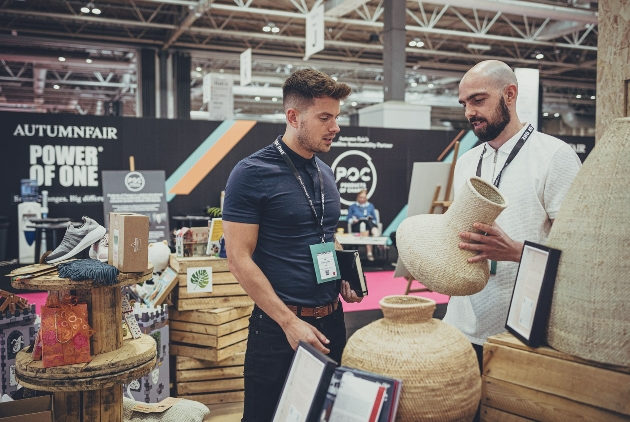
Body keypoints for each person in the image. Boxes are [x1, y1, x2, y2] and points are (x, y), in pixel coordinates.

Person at [222, 68, 363, 422]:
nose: (336, 127)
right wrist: (288, 323)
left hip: (332, 323)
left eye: (337, 117)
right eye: (325, 118)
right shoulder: (251, 173)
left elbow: (325, 236)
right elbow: (239, 259)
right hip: (277, 329)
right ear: (293, 117)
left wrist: (343, 275)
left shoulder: (325, 172)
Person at [443, 60, 582, 368]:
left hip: (519, 330)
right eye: (464, 103)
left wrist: (517, 252)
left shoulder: (555, 156)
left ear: (510, 94)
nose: (469, 113)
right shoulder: (466, 162)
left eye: (478, 100)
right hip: (460, 324)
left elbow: (577, 255)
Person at [347, 189, 380, 260]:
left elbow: (375, 219)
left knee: (368, 222)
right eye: (360, 197)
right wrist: (353, 220)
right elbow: (348, 219)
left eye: (364, 197)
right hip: (357, 226)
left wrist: (371, 220)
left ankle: (370, 252)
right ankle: (371, 250)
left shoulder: (370, 206)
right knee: (365, 223)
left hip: (369, 227)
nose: (362, 199)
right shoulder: (353, 206)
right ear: (357, 197)